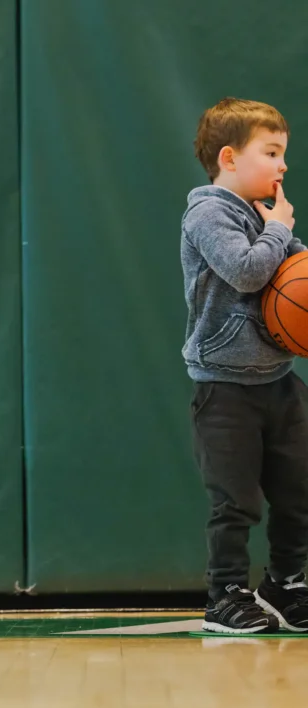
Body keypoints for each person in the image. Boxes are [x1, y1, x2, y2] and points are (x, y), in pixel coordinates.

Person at [182, 97, 308, 633]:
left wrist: (284, 235)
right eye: (273, 152)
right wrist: (278, 227)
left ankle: (285, 584)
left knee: (300, 489)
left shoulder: (264, 213)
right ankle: (225, 595)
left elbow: (295, 268)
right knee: (235, 501)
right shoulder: (207, 214)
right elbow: (248, 271)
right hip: (225, 388)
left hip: (279, 381)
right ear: (229, 157)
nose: (283, 166)